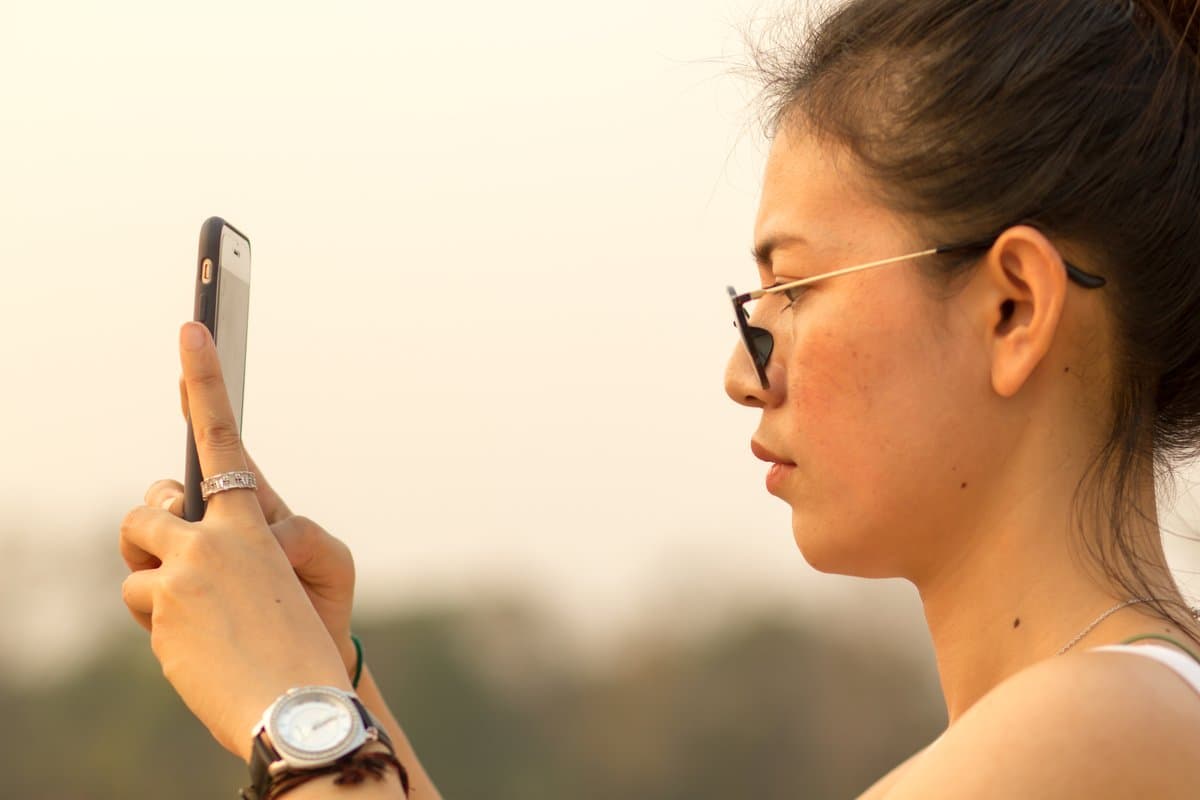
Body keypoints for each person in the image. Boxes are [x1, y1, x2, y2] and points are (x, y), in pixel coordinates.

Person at [120, 0, 1200, 797]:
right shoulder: (1128, 717)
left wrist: (297, 715)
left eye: (792, 288)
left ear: (1013, 308)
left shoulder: (1105, 725)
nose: (744, 371)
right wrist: (336, 685)